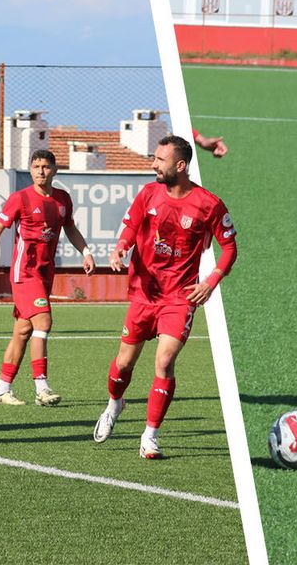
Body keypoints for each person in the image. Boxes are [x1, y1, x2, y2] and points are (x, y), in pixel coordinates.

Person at [93, 135, 237, 459]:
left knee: (165, 361)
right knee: (124, 363)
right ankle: (115, 404)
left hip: (180, 297)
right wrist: (120, 248)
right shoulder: (148, 193)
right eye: (154, 158)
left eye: (160, 160)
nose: (153, 165)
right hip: (144, 293)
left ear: (180, 165)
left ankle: (150, 435)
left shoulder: (208, 204)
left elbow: (229, 248)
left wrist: (211, 281)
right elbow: (130, 229)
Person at [0, 150, 95, 406]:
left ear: (55, 170)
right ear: (30, 170)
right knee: (43, 321)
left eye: (46, 166)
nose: (41, 171)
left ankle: (1, 391)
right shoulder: (20, 198)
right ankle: (42, 388)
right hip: (25, 273)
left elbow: (70, 227)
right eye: (36, 166)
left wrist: (86, 252)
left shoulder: (62, 199)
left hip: (45, 273)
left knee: (23, 331)